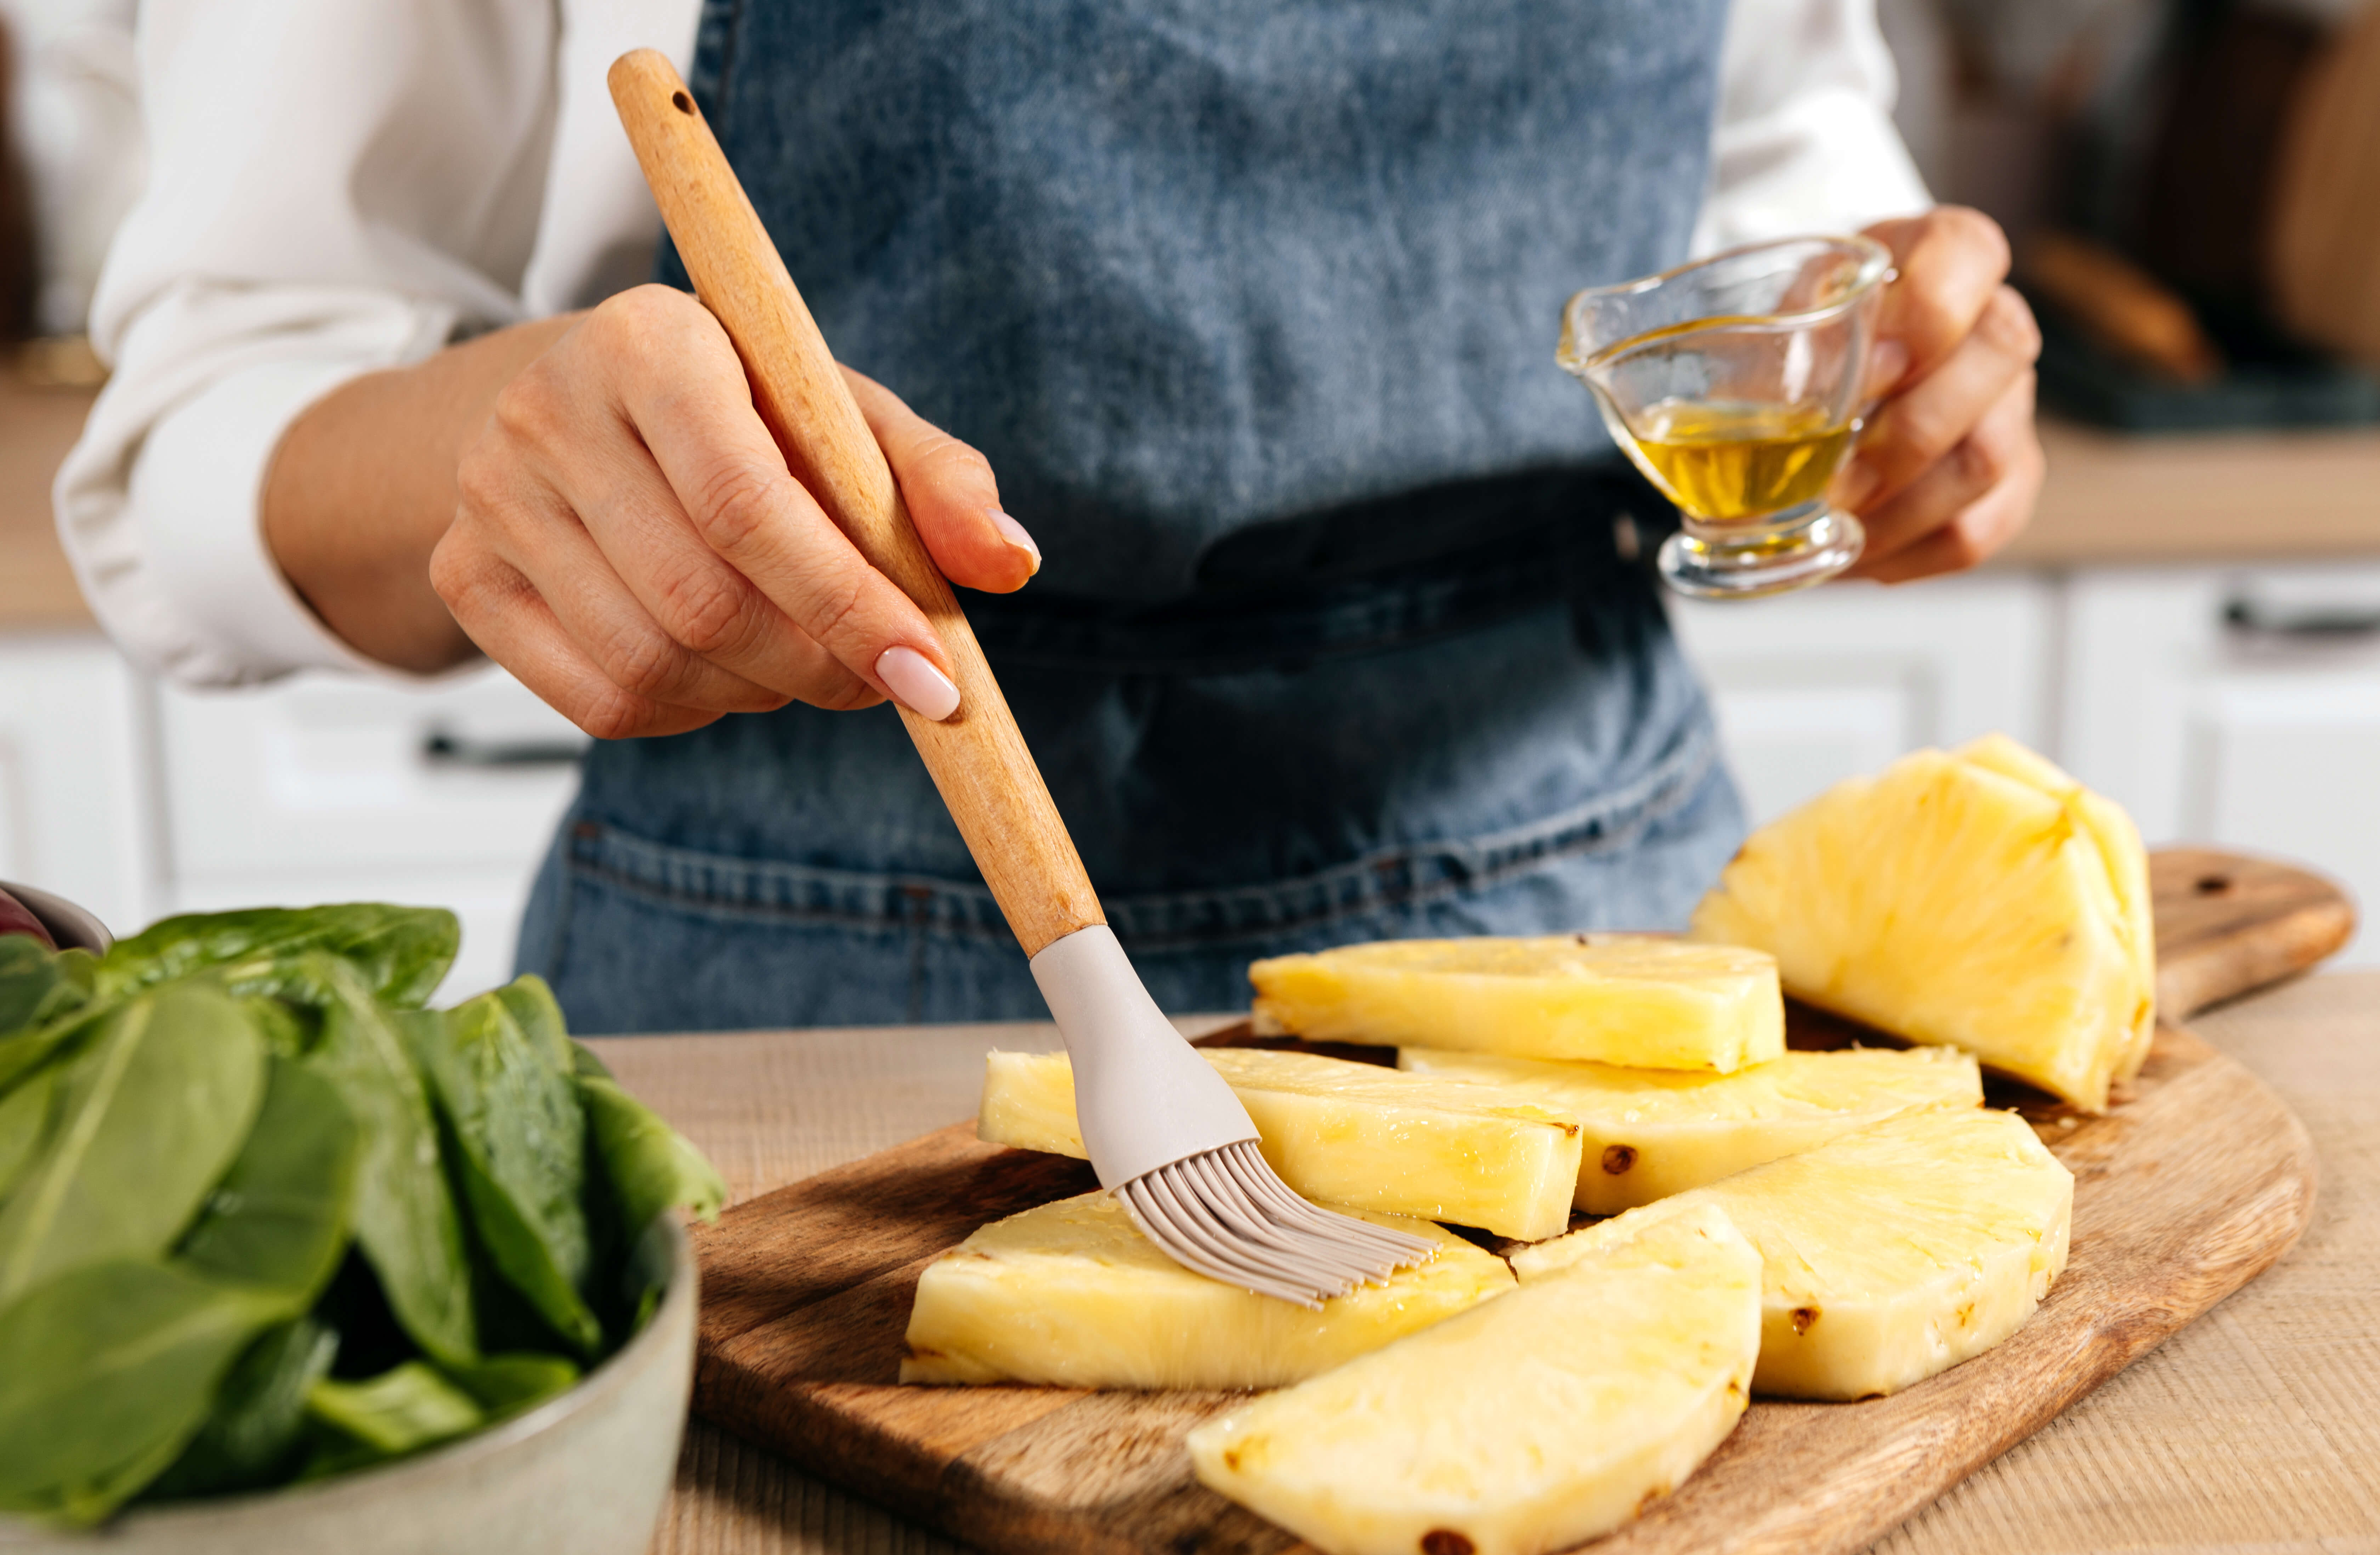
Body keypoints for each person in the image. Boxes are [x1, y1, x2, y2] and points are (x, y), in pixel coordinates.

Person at [57, 0, 2042, 1032]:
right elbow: (203, 437)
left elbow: (1770, 155)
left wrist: (1866, 357)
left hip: (1608, 927)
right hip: (800, 996)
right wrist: (507, 438)